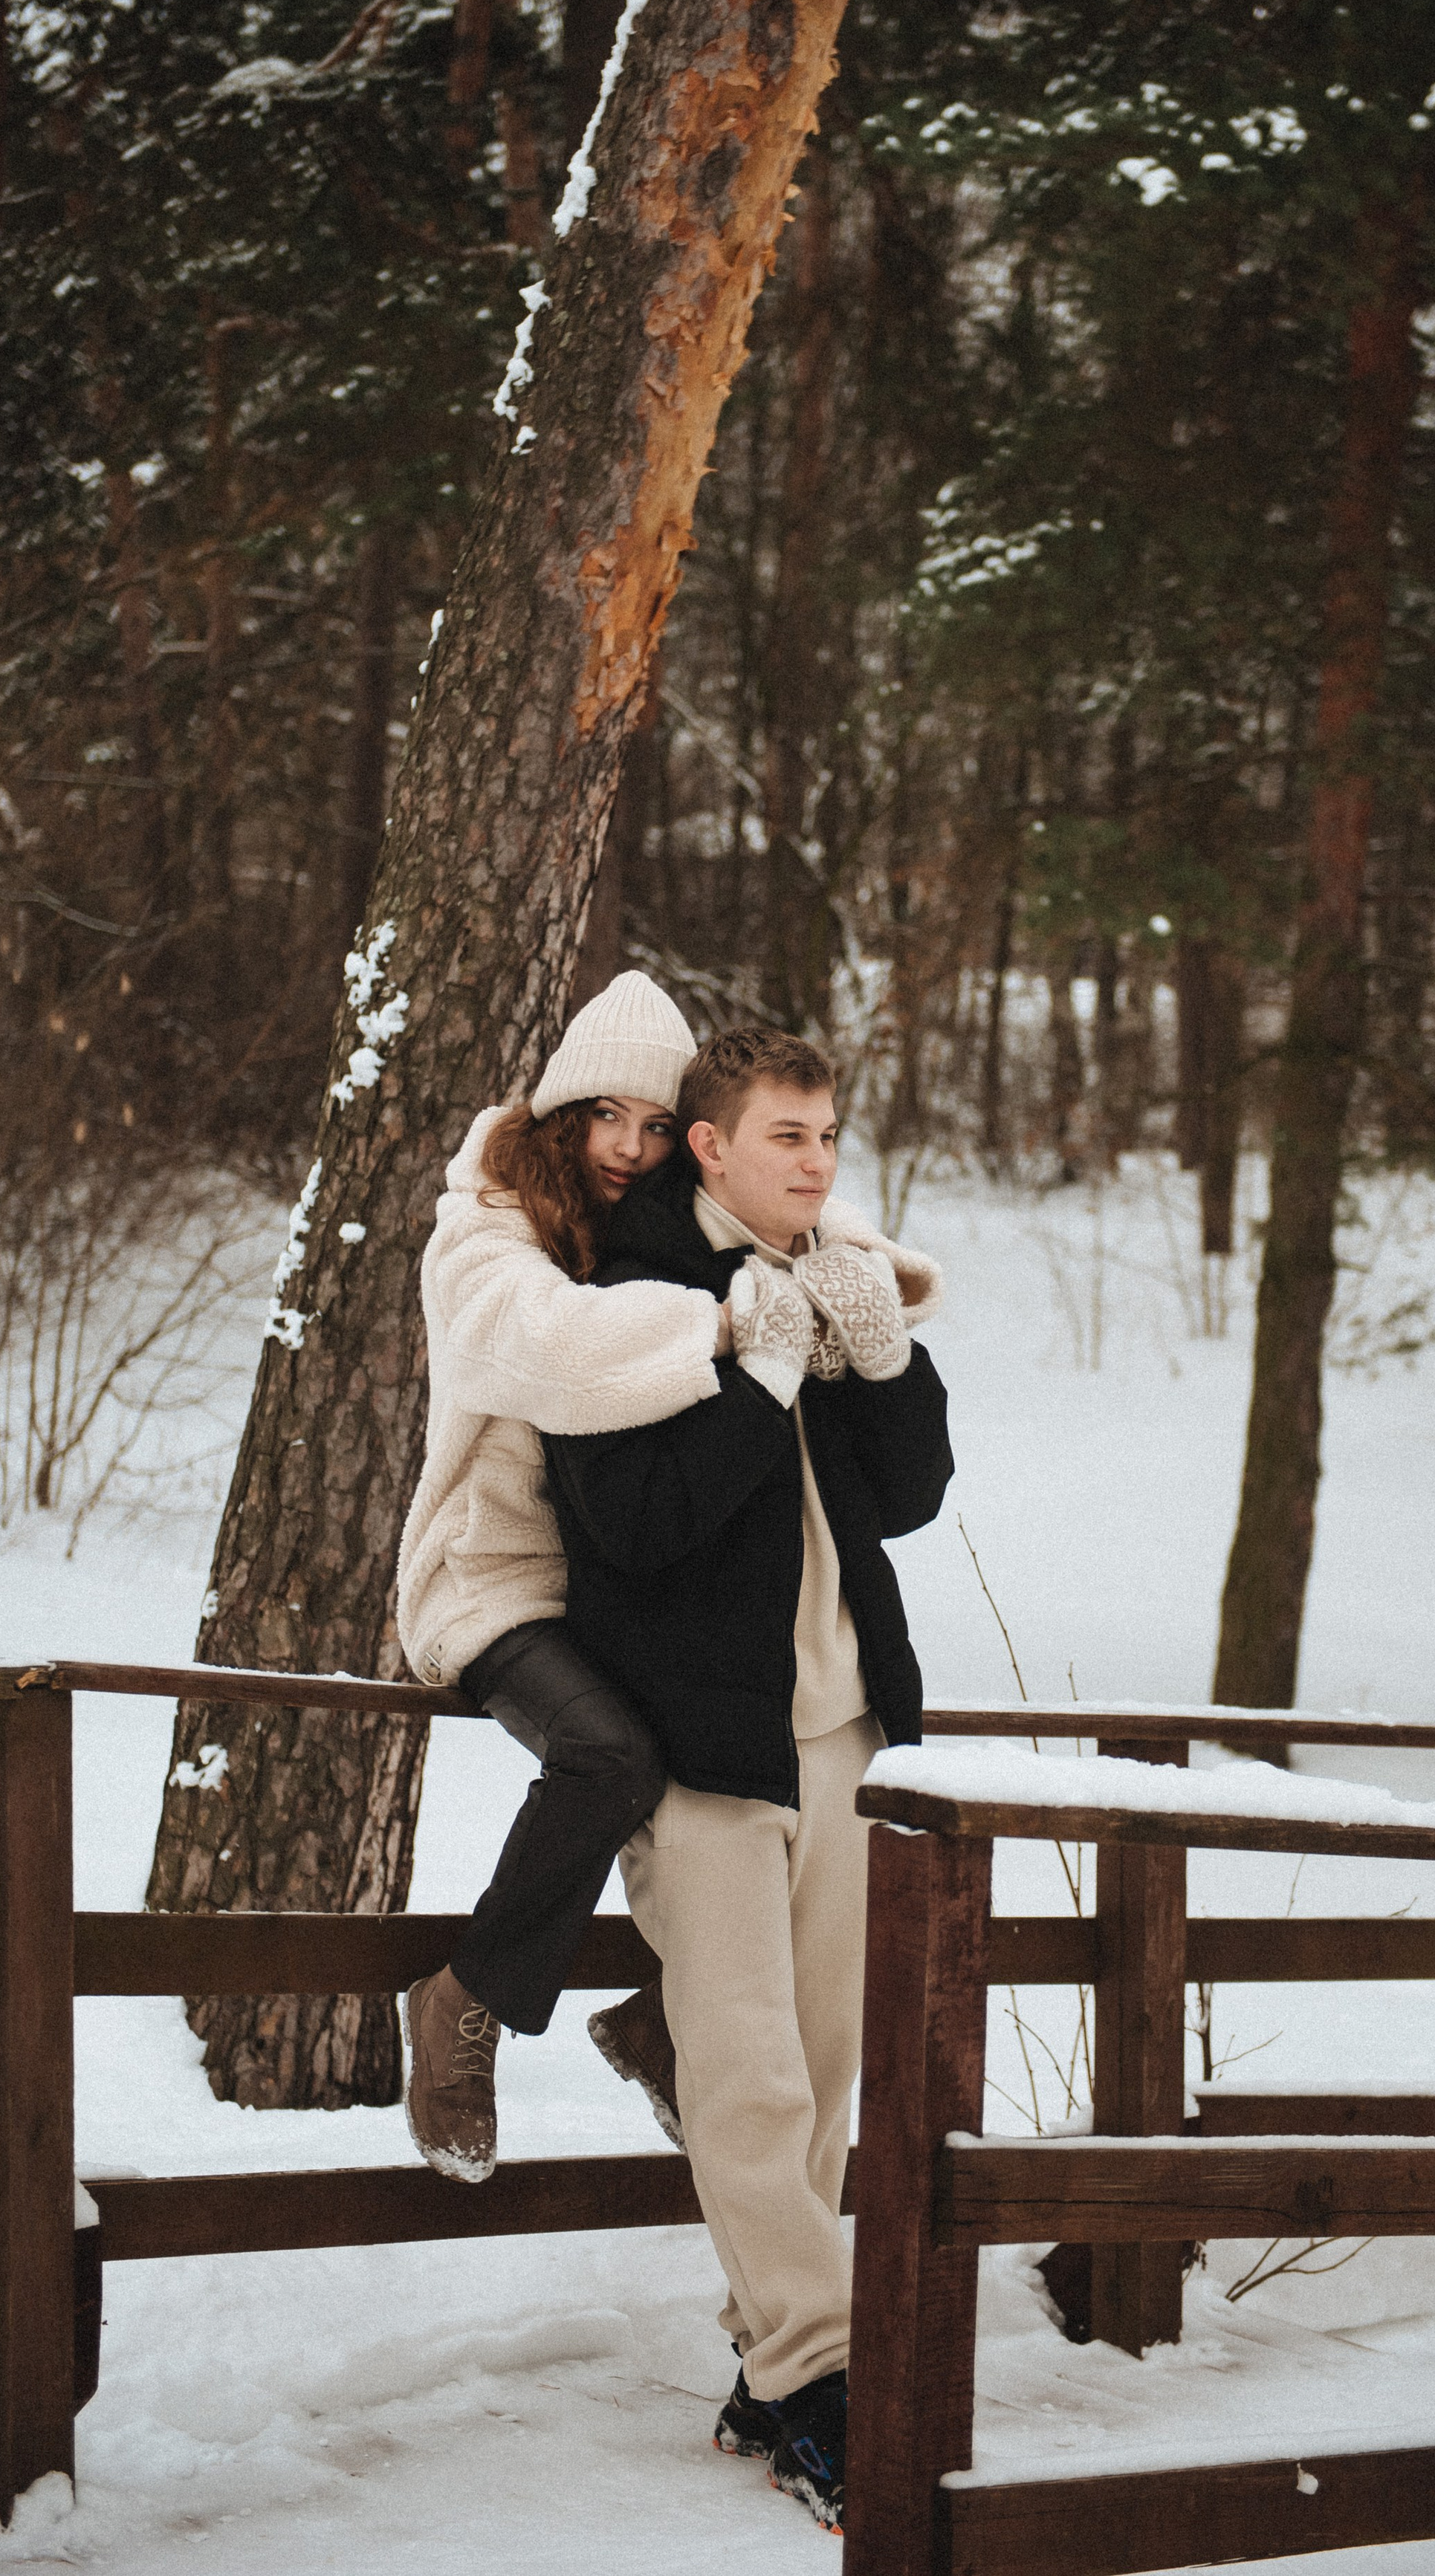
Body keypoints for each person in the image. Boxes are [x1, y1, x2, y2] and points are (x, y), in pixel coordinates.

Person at [539, 1025, 950, 2531]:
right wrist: (752, 1375)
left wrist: (875, 1351)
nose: (818, 1161)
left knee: (827, 2060)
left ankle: (765, 2377)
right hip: (701, 1744)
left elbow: (905, 1496)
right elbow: (634, 1526)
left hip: (838, 1727)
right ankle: (817, 2369)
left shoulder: (833, 1265)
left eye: (830, 1134)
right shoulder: (623, 1293)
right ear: (706, 1143)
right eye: (787, 1134)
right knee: (749, 2067)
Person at [395, 973, 822, 2179]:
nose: (628, 1150)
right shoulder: (485, 1237)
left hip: (594, 1599)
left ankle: (654, 2019)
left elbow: (791, 1210)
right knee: (612, 1756)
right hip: (488, 1586)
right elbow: (556, 1351)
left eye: (654, 1124)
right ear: (557, 1114)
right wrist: (739, 1324)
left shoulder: (645, 1231)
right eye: (603, 1118)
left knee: (713, 1759)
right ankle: (463, 2000)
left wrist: (863, 1279)